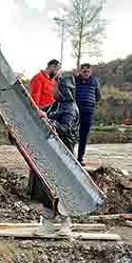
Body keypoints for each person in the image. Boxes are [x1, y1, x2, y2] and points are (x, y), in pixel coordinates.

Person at [30, 75, 79, 237]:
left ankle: (66, 223)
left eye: (56, 88)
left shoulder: (71, 108)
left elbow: (66, 128)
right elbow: (45, 111)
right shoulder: (56, 105)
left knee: (63, 188)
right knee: (45, 188)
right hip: (50, 153)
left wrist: (49, 121)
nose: (53, 90)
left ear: (64, 90)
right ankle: (48, 224)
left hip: (63, 154)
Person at [74, 63, 102, 166]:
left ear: (91, 72)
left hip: (88, 111)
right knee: (71, 133)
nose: (86, 73)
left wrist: (92, 104)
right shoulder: (75, 81)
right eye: (84, 71)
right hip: (75, 111)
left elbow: (98, 96)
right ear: (80, 71)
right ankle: (69, 155)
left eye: (88, 71)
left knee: (84, 135)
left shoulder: (94, 81)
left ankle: (80, 158)